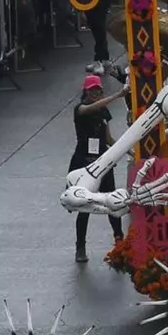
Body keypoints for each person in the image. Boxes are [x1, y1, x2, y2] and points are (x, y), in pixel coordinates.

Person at [68, 73, 125, 263]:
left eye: (98, 90)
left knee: (113, 202)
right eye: (92, 90)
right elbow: (90, 109)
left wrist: (127, 150)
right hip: (84, 163)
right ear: (85, 92)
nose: (95, 93)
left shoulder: (104, 112)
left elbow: (108, 139)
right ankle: (80, 246)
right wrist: (118, 95)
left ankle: (120, 242)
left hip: (103, 162)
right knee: (84, 206)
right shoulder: (80, 109)